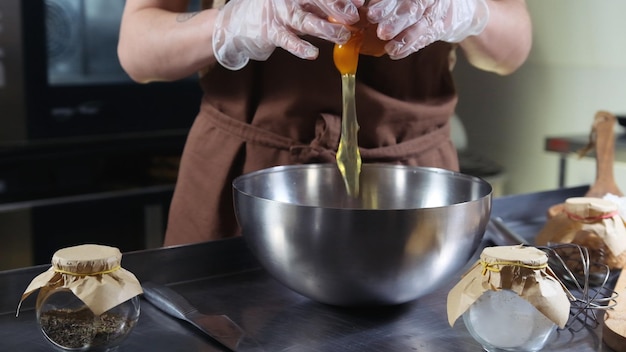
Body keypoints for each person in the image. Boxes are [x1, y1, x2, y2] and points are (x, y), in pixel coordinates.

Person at [118, 0, 532, 246]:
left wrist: (467, 11)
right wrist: (232, 24)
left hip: (415, 188)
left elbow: (511, 48)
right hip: (240, 177)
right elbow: (138, 49)